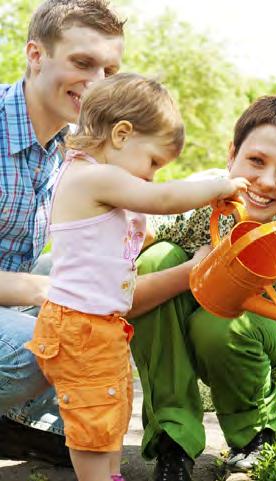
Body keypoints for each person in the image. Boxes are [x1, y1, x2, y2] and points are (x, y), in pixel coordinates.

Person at [24, 72, 248, 481]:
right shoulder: (94, 176)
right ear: (122, 134)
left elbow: (134, 229)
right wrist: (220, 186)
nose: (153, 177)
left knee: (111, 412)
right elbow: (162, 199)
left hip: (99, 324)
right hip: (81, 326)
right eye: (153, 163)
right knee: (93, 419)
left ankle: (111, 475)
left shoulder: (100, 182)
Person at [129, 95, 276, 480]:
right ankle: (173, 439)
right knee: (156, 258)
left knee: (221, 322)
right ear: (232, 154)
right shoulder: (202, 196)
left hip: (255, 342)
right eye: (256, 161)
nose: (266, 182)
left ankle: (255, 433)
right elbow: (124, 283)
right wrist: (191, 271)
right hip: (182, 334)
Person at [0, 0, 125, 465]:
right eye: (83, 63)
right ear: (36, 55)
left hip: (9, 293)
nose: (98, 83)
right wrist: (46, 291)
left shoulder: (68, 148)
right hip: (13, 296)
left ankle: (19, 422)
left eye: (109, 70)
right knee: (45, 347)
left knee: (113, 289)